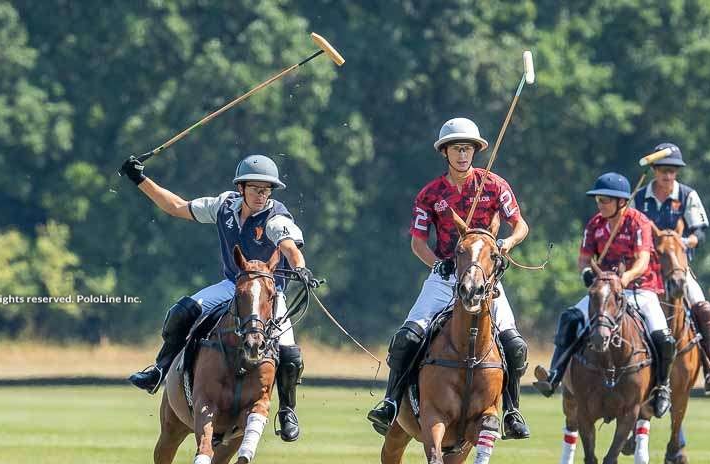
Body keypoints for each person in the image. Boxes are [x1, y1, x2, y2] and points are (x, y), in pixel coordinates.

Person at [120, 154, 319, 442]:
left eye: (267, 190)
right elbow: (176, 207)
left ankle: (287, 410)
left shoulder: (276, 217)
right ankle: (159, 371)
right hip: (233, 285)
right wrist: (139, 179)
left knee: (290, 353)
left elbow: (289, 247)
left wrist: (300, 267)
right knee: (182, 311)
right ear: (241, 188)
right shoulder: (223, 206)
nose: (262, 196)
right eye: (256, 189)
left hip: (268, 294)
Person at [366, 117, 531, 439]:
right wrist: (436, 264)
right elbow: (417, 242)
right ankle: (389, 402)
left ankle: (511, 410)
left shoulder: (494, 185)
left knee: (514, 343)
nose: (462, 155)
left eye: (467, 148)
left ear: (475, 152)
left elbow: (520, 224)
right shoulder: (431, 194)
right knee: (407, 337)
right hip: (444, 278)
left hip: (486, 281)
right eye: (456, 149)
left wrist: (507, 243)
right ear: (445, 152)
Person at [532, 172, 676, 418]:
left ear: (621, 202)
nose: (600, 204)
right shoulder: (595, 224)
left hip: (639, 288)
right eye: (598, 199)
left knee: (663, 337)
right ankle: (555, 375)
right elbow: (584, 259)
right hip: (604, 291)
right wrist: (587, 273)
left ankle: (662, 387)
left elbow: (642, 260)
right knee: (570, 318)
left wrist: (625, 278)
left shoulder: (638, 222)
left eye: (605, 200)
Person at [631, 142, 710, 393]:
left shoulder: (687, 195)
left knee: (704, 309)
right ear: (654, 170)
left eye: (673, 170)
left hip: (677, 268)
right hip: (645, 270)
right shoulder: (639, 198)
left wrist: (683, 241)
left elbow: (699, 232)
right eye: (663, 169)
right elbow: (629, 231)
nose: (668, 175)